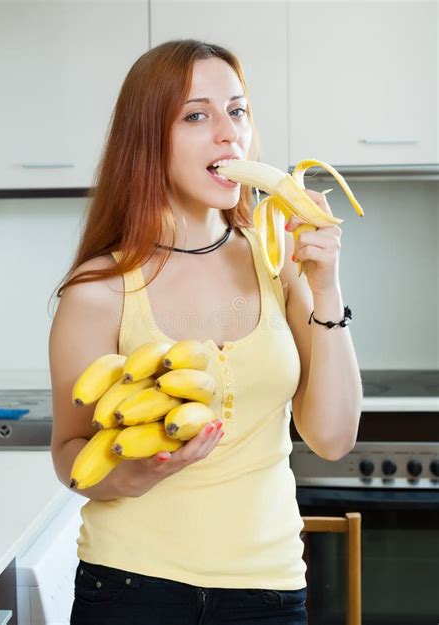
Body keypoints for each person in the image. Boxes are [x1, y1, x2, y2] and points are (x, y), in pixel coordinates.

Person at [49, 39, 363, 625]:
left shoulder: (278, 262)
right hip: (130, 588)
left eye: (237, 111)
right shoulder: (99, 288)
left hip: (268, 591)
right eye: (197, 115)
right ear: (148, 141)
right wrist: (135, 472)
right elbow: (70, 455)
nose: (229, 134)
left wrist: (326, 289)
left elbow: (333, 438)